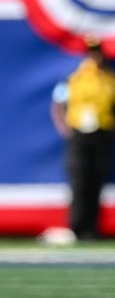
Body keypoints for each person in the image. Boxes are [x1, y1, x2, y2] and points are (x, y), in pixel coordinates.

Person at [50, 36, 115, 241]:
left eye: (97, 52)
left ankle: (91, 229)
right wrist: (64, 128)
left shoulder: (109, 79)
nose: (94, 56)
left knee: (96, 181)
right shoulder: (72, 77)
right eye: (91, 52)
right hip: (79, 135)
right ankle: (77, 226)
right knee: (79, 180)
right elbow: (58, 103)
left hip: (102, 134)